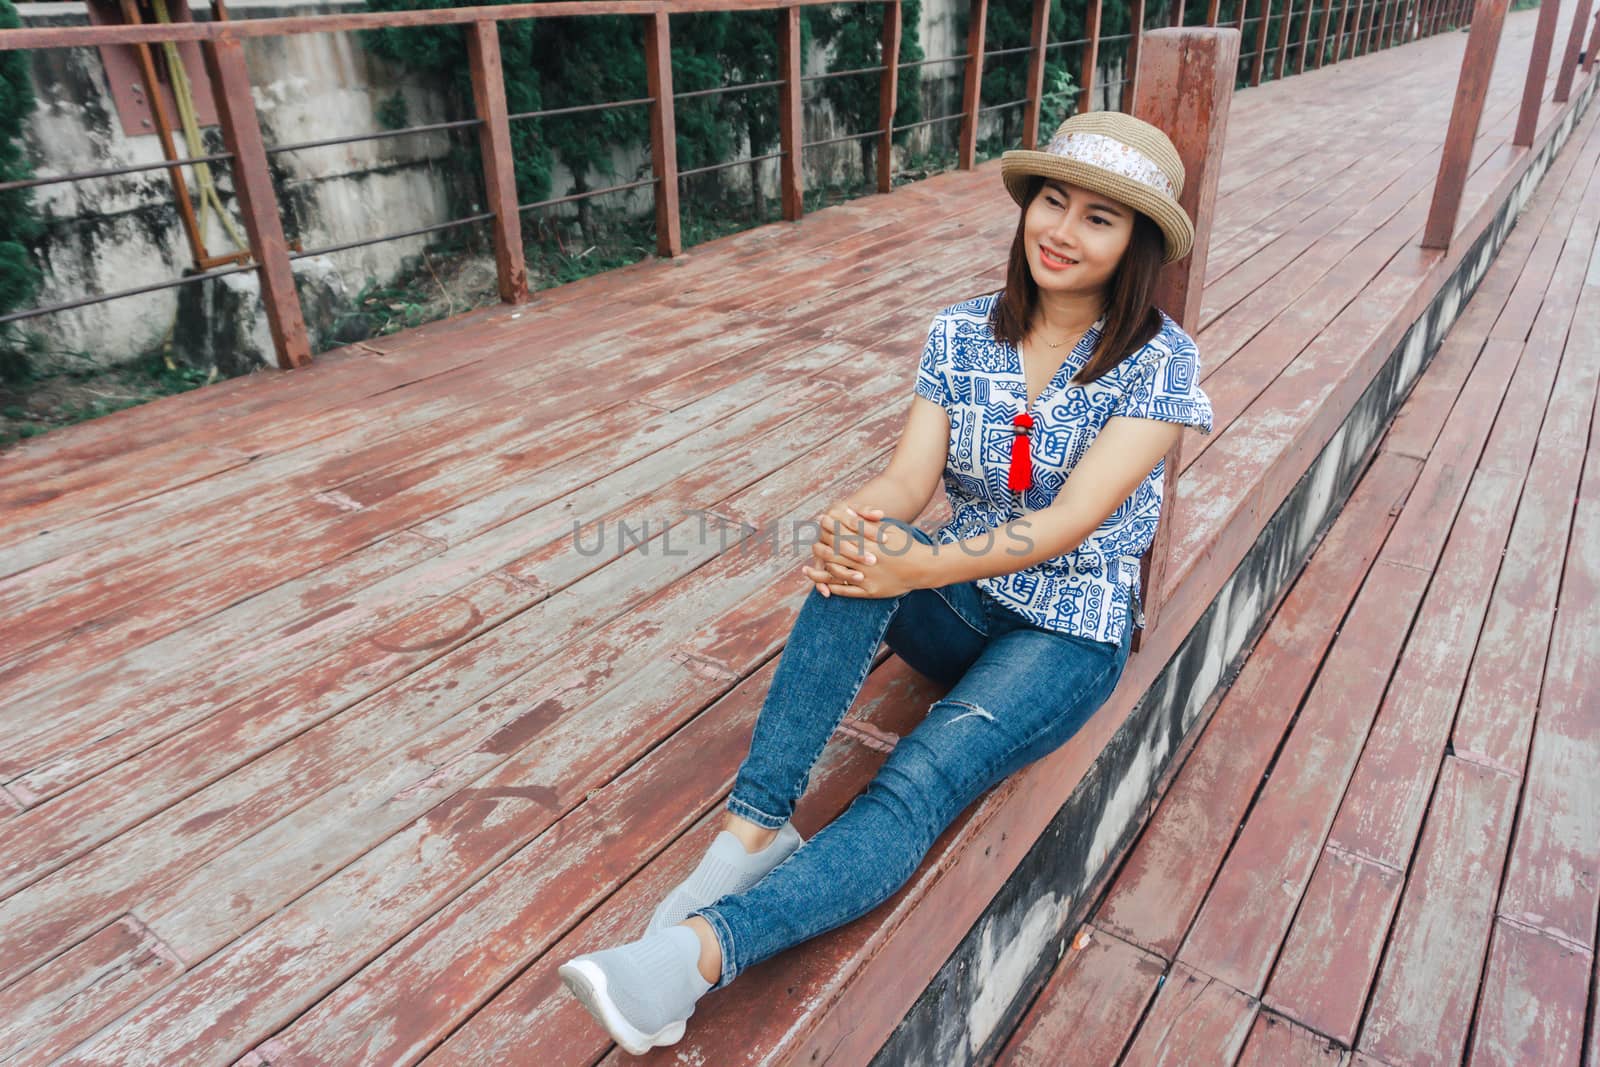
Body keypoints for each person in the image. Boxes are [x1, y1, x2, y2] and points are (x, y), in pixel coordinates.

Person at [557, 109, 1215, 1056]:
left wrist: (921, 559)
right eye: (1053, 203)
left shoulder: (1158, 363)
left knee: (919, 780)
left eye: (1099, 220)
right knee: (860, 553)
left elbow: (1070, 524)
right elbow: (910, 482)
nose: (1062, 233)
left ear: (1135, 245)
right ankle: (753, 828)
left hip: (1068, 629)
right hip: (961, 602)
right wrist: (859, 516)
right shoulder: (961, 334)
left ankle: (696, 955)